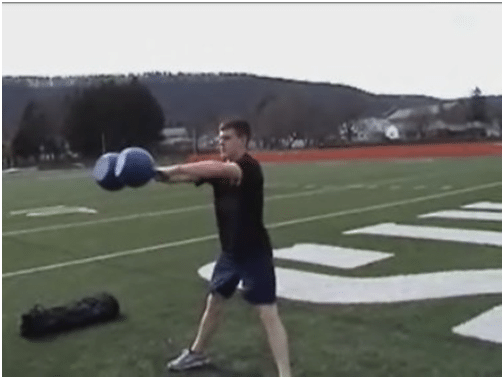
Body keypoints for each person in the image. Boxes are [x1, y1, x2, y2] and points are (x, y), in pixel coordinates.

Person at [155, 119, 292, 377]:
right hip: (229, 253)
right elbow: (186, 177)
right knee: (214, 303)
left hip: (254, 254)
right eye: (219, 138)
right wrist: (157, 174)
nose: (221, 142)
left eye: (226, 138)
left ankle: (285, 374)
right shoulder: (219, 172)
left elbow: (213, 169)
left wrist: (174, 167)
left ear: (243, 140)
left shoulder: (248, 168)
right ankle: (197, 353)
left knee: (268, 314)